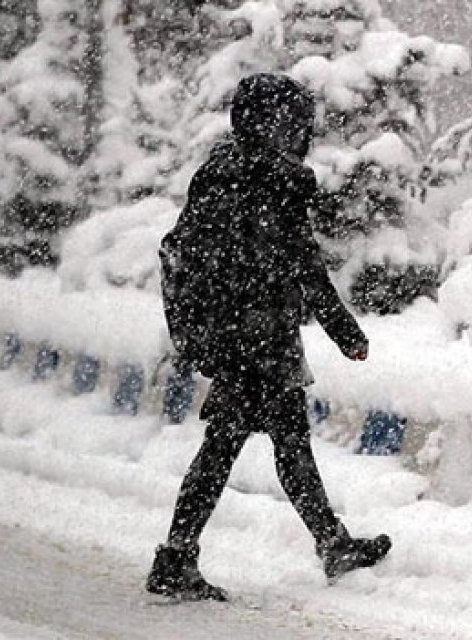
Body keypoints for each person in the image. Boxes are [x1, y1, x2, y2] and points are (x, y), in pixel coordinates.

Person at [147, 73, 391, 602]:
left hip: (235, 336)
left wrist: (202, 330)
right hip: (257, 340)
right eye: (294, 122)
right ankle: (178, 555)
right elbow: (305, 266)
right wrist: (345, 331)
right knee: (242, 447)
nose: (300, 132)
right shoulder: (272, 182)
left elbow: (187, 251)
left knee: (271, 442)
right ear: (274, 124)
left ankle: (327, 543)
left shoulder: (218, 174)